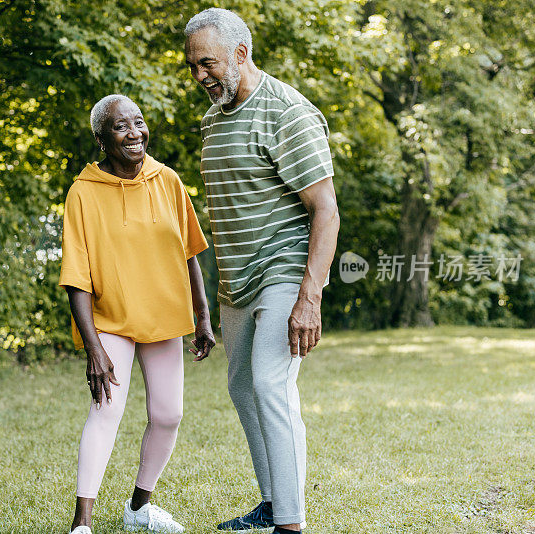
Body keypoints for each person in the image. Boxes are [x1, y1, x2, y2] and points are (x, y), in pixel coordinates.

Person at [184, 8, 340, 534]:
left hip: (284, 268)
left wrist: (309, 297)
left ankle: (290, 525)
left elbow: (326, 210)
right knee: (242, 387)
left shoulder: (287, 112)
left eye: (208, 64)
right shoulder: (214, 118)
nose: (200, 76)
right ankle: (274, 500)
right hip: (237, 279)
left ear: (240, 54)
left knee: (271, 385)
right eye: (193, 66)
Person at [60, 94, 216, 534]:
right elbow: (77, 276)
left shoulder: (167, 180)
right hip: (110, 319)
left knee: (169, 414)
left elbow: (189, 253)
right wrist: (93, 347)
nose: (135, 133)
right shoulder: (83, 193)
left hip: (164, 316)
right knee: (105, 412)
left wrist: (202, 317)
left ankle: (139, 507)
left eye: (139, 122)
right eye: (121, 126)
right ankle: (82, 523)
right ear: (101, 138)